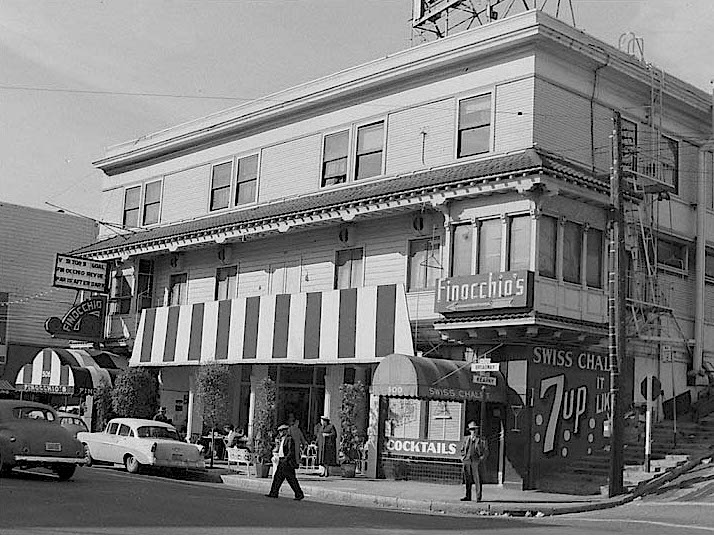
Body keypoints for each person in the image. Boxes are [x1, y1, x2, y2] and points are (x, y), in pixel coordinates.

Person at [265, 424, 305, 501]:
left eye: (281, 431)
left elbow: (291, 451)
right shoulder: (282, 439)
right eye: (279, 431)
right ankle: (274, 492)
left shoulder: (289, 439)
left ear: (285, 431)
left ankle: (299, 494)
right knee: (278, 478)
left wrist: (285, 460)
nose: (280, 433)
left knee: (291, 479)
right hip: (282, 461)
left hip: (287, 462)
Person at [459, 421, 488, 502]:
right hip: (467, 460)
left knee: (477, 479)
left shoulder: (481, 440)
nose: (473, 431)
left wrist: (481, 459)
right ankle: (468, 496)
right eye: (472, 429)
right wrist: (462, 457)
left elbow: (485, 451)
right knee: (467, 480)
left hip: (476, 461)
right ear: (469, 430)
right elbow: (462, 449)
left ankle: (478, 497)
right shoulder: (466, 439)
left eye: (475, 429)